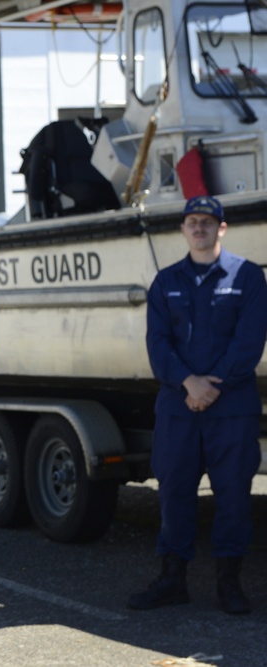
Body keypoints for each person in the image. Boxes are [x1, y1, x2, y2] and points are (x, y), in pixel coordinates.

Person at [129, 194, 267, 615]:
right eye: (193, 221)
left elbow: (250, 342)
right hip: (178, 408)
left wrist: (212, 387)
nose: (200, 228)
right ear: (183, 229)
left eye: (208, 222)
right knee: (174, 494)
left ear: (222, 228)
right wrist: (189, 382)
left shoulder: (248, 278)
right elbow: (158, 344)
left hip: (231, 409)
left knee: (232, 497)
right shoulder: (166, 281)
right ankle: (173, 579)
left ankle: (229, 583)